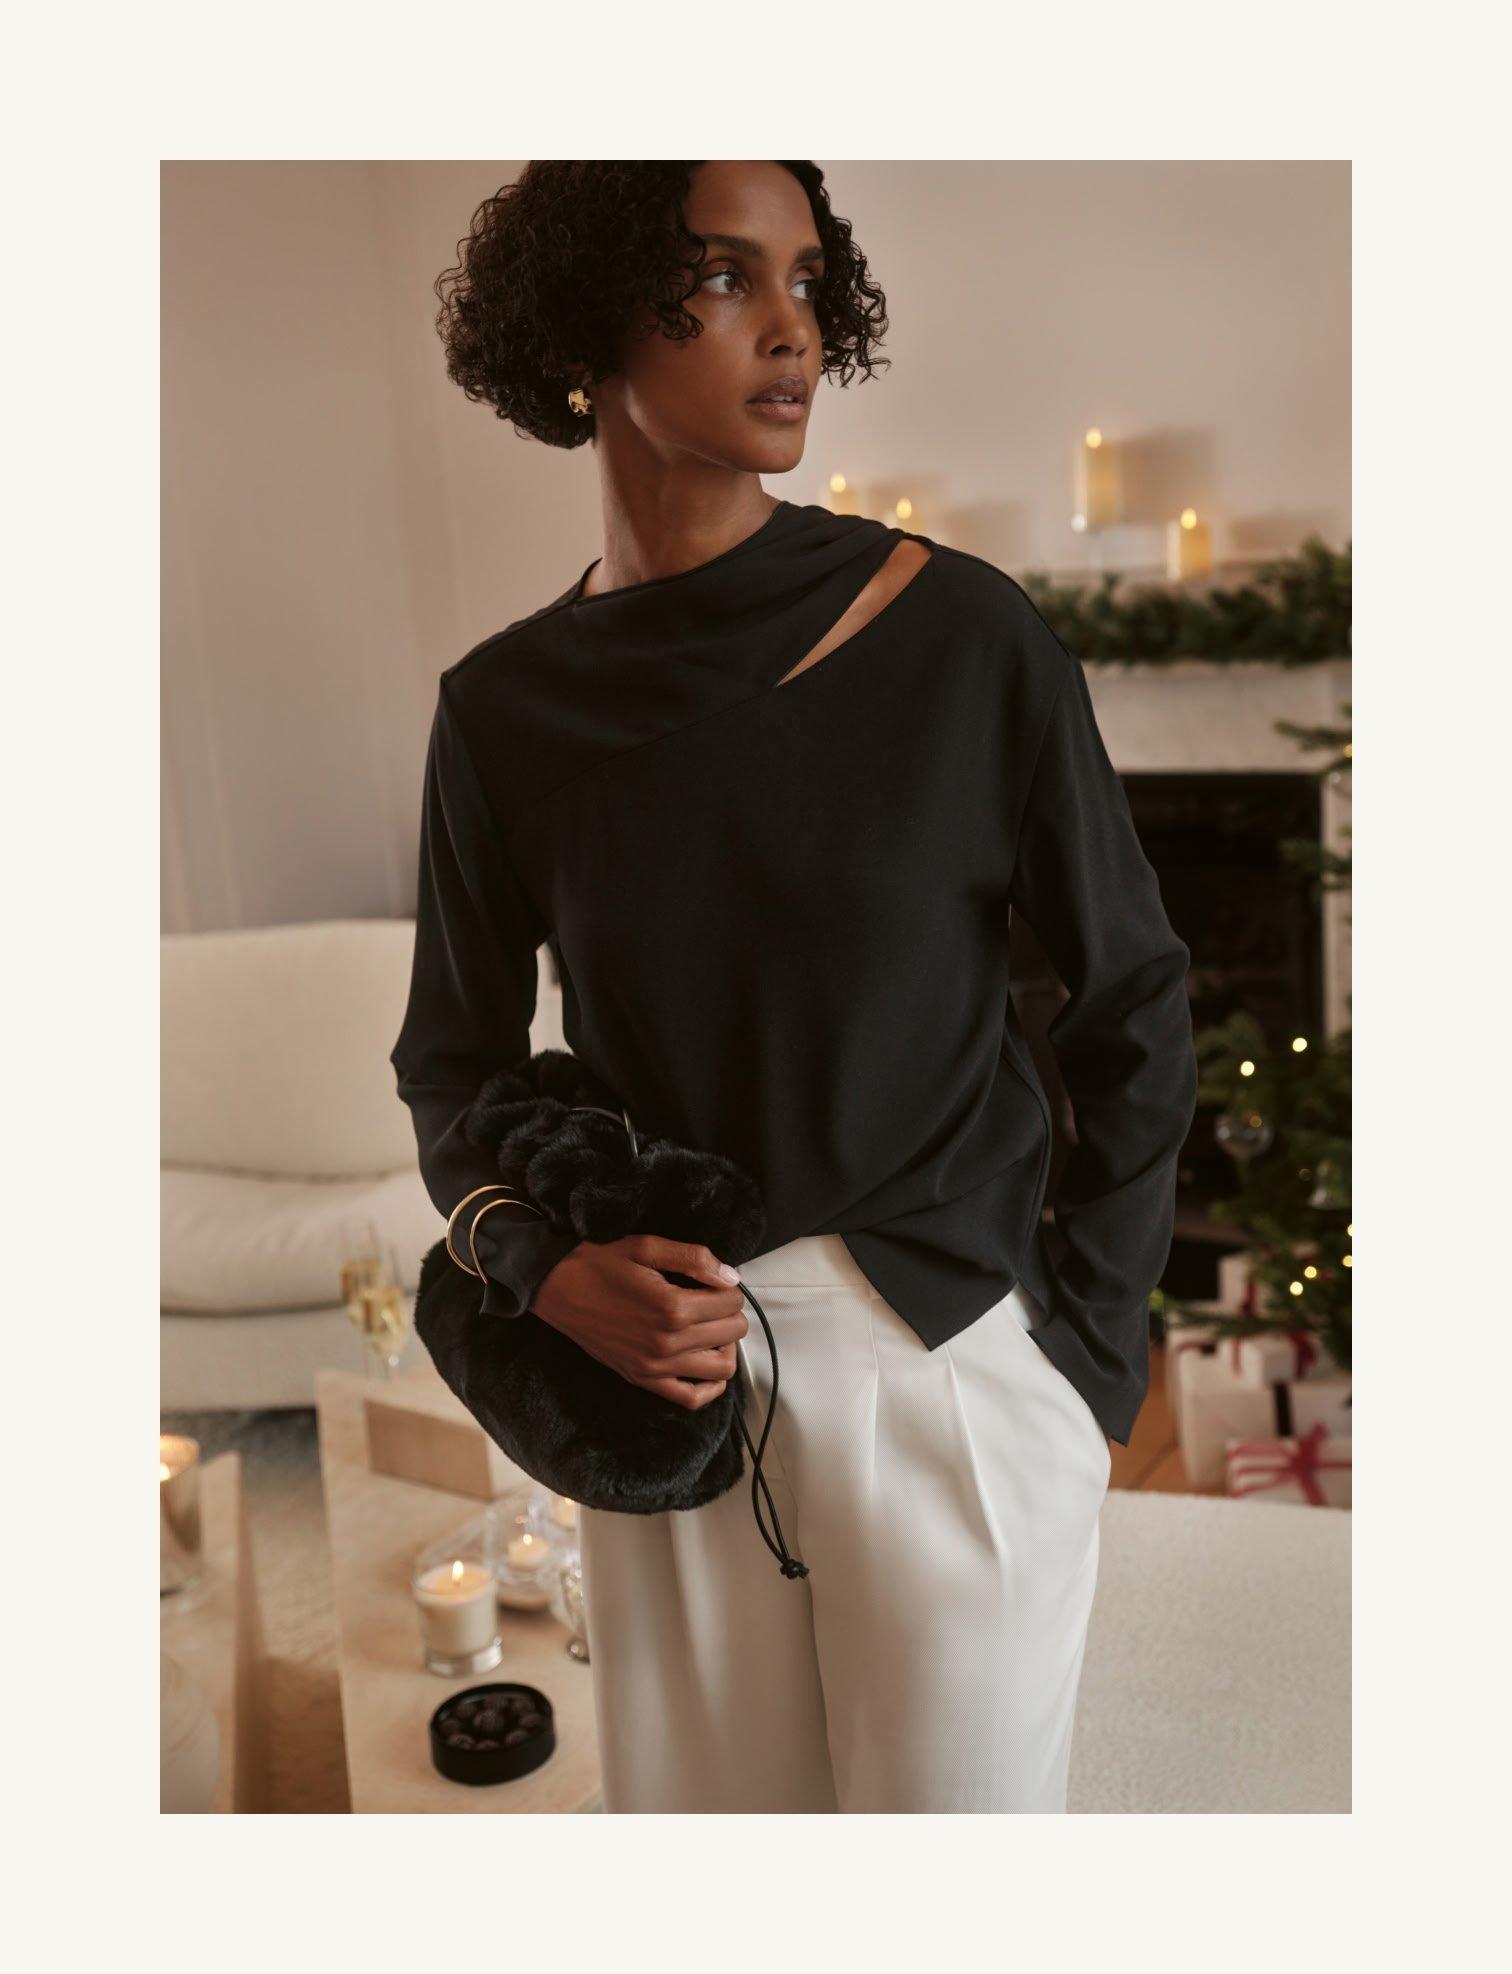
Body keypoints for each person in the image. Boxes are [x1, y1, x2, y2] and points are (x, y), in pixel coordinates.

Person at [390, 160, 1199, 1812]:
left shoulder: (964, 639)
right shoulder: (502, 714)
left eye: (812, 282)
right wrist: (542, 1270)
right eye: (726, 275)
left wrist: (1092, 1366)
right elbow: (451, 1067)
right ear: (592, 307)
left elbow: (1136, 1002)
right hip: (670, 1398)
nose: (793, 330)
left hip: (954, 1361)